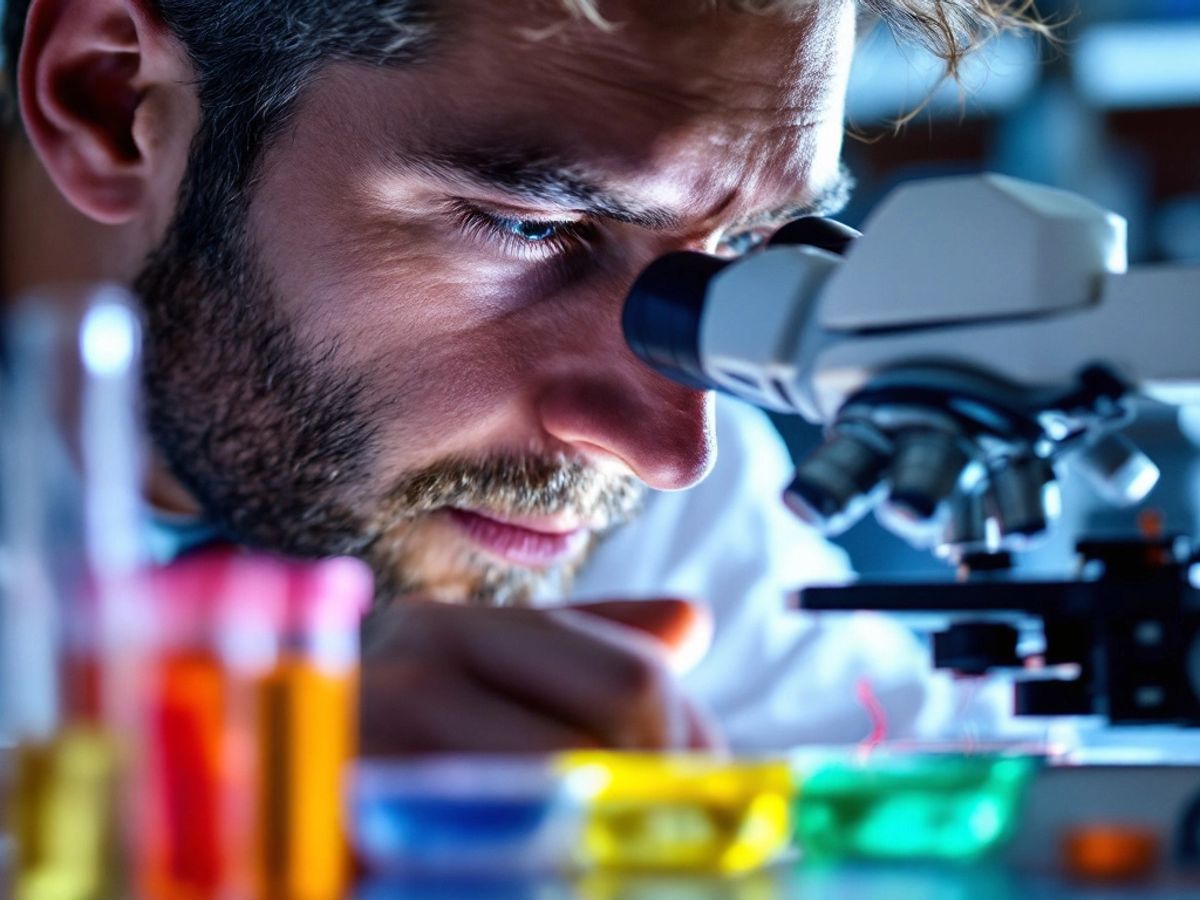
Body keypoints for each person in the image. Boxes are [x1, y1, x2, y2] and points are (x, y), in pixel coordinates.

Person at [0, 0, 1041, 753]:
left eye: (752, 241)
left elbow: (938, 776)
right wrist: (244, 816)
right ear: (114, 99)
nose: (672, 449)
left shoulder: (602, 486)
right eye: (531, 225)